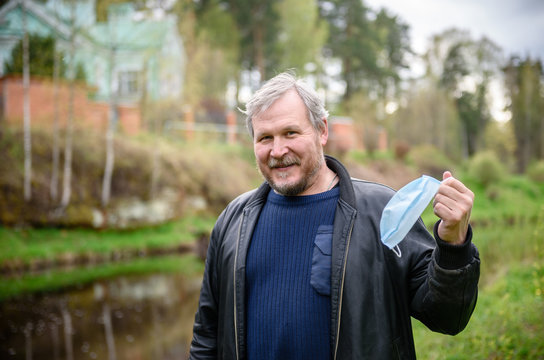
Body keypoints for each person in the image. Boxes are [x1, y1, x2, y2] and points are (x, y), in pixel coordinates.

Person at [189, 72, 480, 360]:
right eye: (265, 138)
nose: (277, 151)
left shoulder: (381, 211)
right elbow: (206, 336)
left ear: (322, 131)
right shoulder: (233, 221)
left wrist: (453, 246)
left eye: (290, 133)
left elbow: (447, 317)